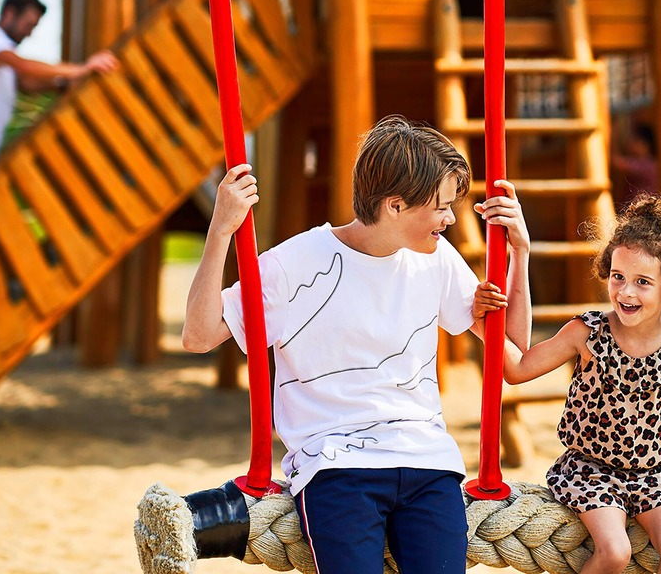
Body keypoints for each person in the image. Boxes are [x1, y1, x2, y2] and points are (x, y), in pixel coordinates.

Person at [181, 115, 532, 573]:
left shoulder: (437, 260)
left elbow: (511, 353)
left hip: (427, 461)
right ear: (395, 206)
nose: (451, 218)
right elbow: (199, 334)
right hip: (336, 465)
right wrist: (221, 230)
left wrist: (520, 252)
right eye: (442, 206)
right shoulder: (295, 264)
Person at [480, 193, 661, 574]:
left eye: (642, 282)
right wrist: (486, 323)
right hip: (592, 469)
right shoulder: (588, 331)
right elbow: (517, 370)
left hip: (658, 471)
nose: (626, 292)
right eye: (618, 277)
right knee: (615, 553)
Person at [0, 0, 119, 196]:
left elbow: (26, 84)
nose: (29, 33)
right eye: (28, 25)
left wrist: (62, 85)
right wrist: (81, 68)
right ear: (9, 14)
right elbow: (23, 67)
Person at [611, 121, 660, 205]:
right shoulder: (648, 162)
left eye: (635, 140)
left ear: (645, 145)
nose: (631, 143)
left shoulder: (646, 164)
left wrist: (612, 135)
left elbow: (617, 163)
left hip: (641, 209)